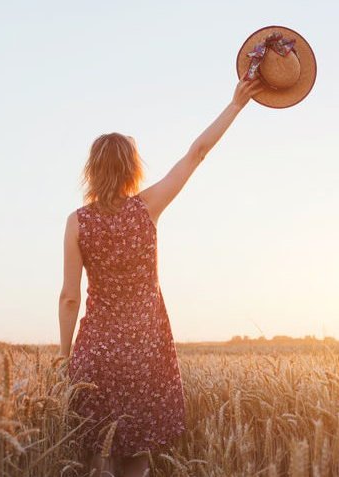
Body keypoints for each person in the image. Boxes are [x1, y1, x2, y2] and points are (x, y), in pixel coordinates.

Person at [57, 78, 264, 477]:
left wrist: (65, 361)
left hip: (96, 353)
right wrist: (235, 104)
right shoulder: (148, 206)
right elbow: (197, 153)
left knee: (100, 456)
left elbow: (69, 297)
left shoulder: (77, 223)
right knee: (137, 454)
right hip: (144, 350)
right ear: (132, 169)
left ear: (92, 171)